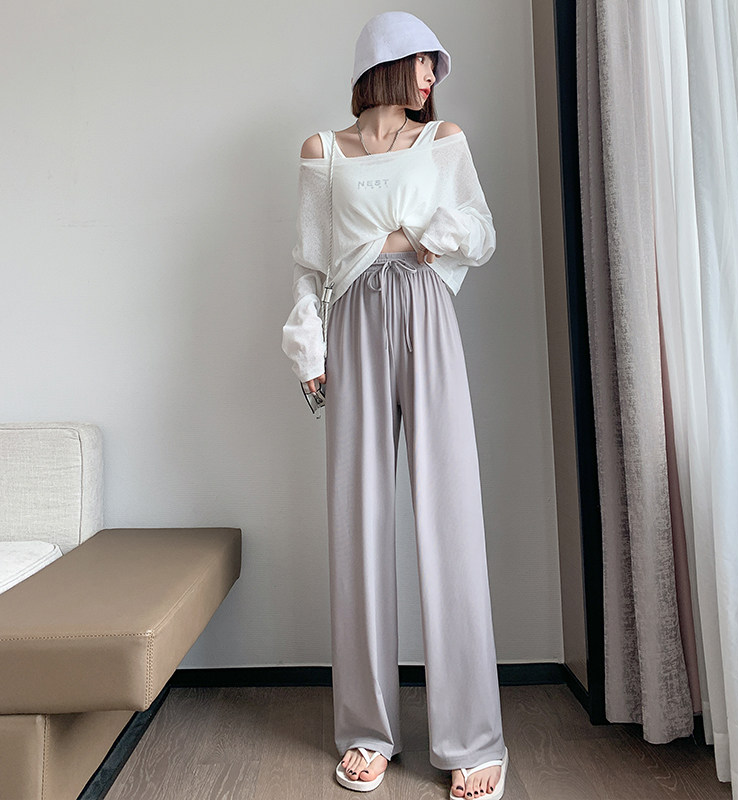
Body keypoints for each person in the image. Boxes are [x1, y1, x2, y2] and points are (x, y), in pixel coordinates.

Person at [281, 11, 509, 799]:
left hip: (425, 314)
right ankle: (367, 732)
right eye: (423, 61)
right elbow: (310, 263)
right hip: (350, 324)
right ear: (384, 63)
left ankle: (471, 738)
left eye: (435, 65)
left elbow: (479, 231)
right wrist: (308, 349)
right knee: (360, 523)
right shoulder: (322, 151)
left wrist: (416, 239)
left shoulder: (442, 138)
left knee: (451, 517)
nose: (432, 76)